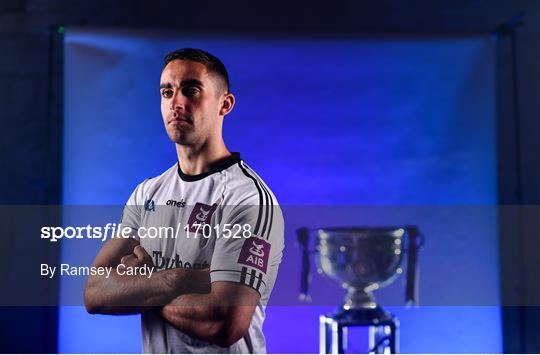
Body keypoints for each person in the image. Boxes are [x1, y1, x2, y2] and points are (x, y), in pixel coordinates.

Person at [84, 48, 284, 354]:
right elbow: (95, 294)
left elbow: (223, 323)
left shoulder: (247, 199)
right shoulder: (148, 193)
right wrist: (177, 279)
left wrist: (139, 290)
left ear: (224, 104)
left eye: (191, 90)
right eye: (167, 92)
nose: (176, 102)